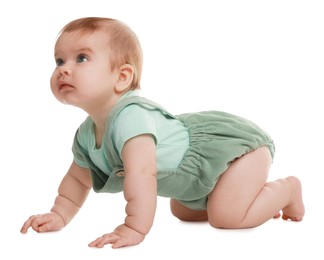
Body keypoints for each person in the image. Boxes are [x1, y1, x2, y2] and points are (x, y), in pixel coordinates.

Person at [20, 17, 305, 249]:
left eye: (81, 58)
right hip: (200, 177)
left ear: (122, 77)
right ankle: (224, 195)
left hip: (237, 153)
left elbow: (142, 176)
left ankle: (287, 189)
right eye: (59, 61)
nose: (64, 70)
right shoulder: (86, 134)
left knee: (226, 217)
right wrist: (59, 215)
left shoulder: (132, 118)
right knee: (182, 212)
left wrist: (133, 228)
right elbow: (76, 180)